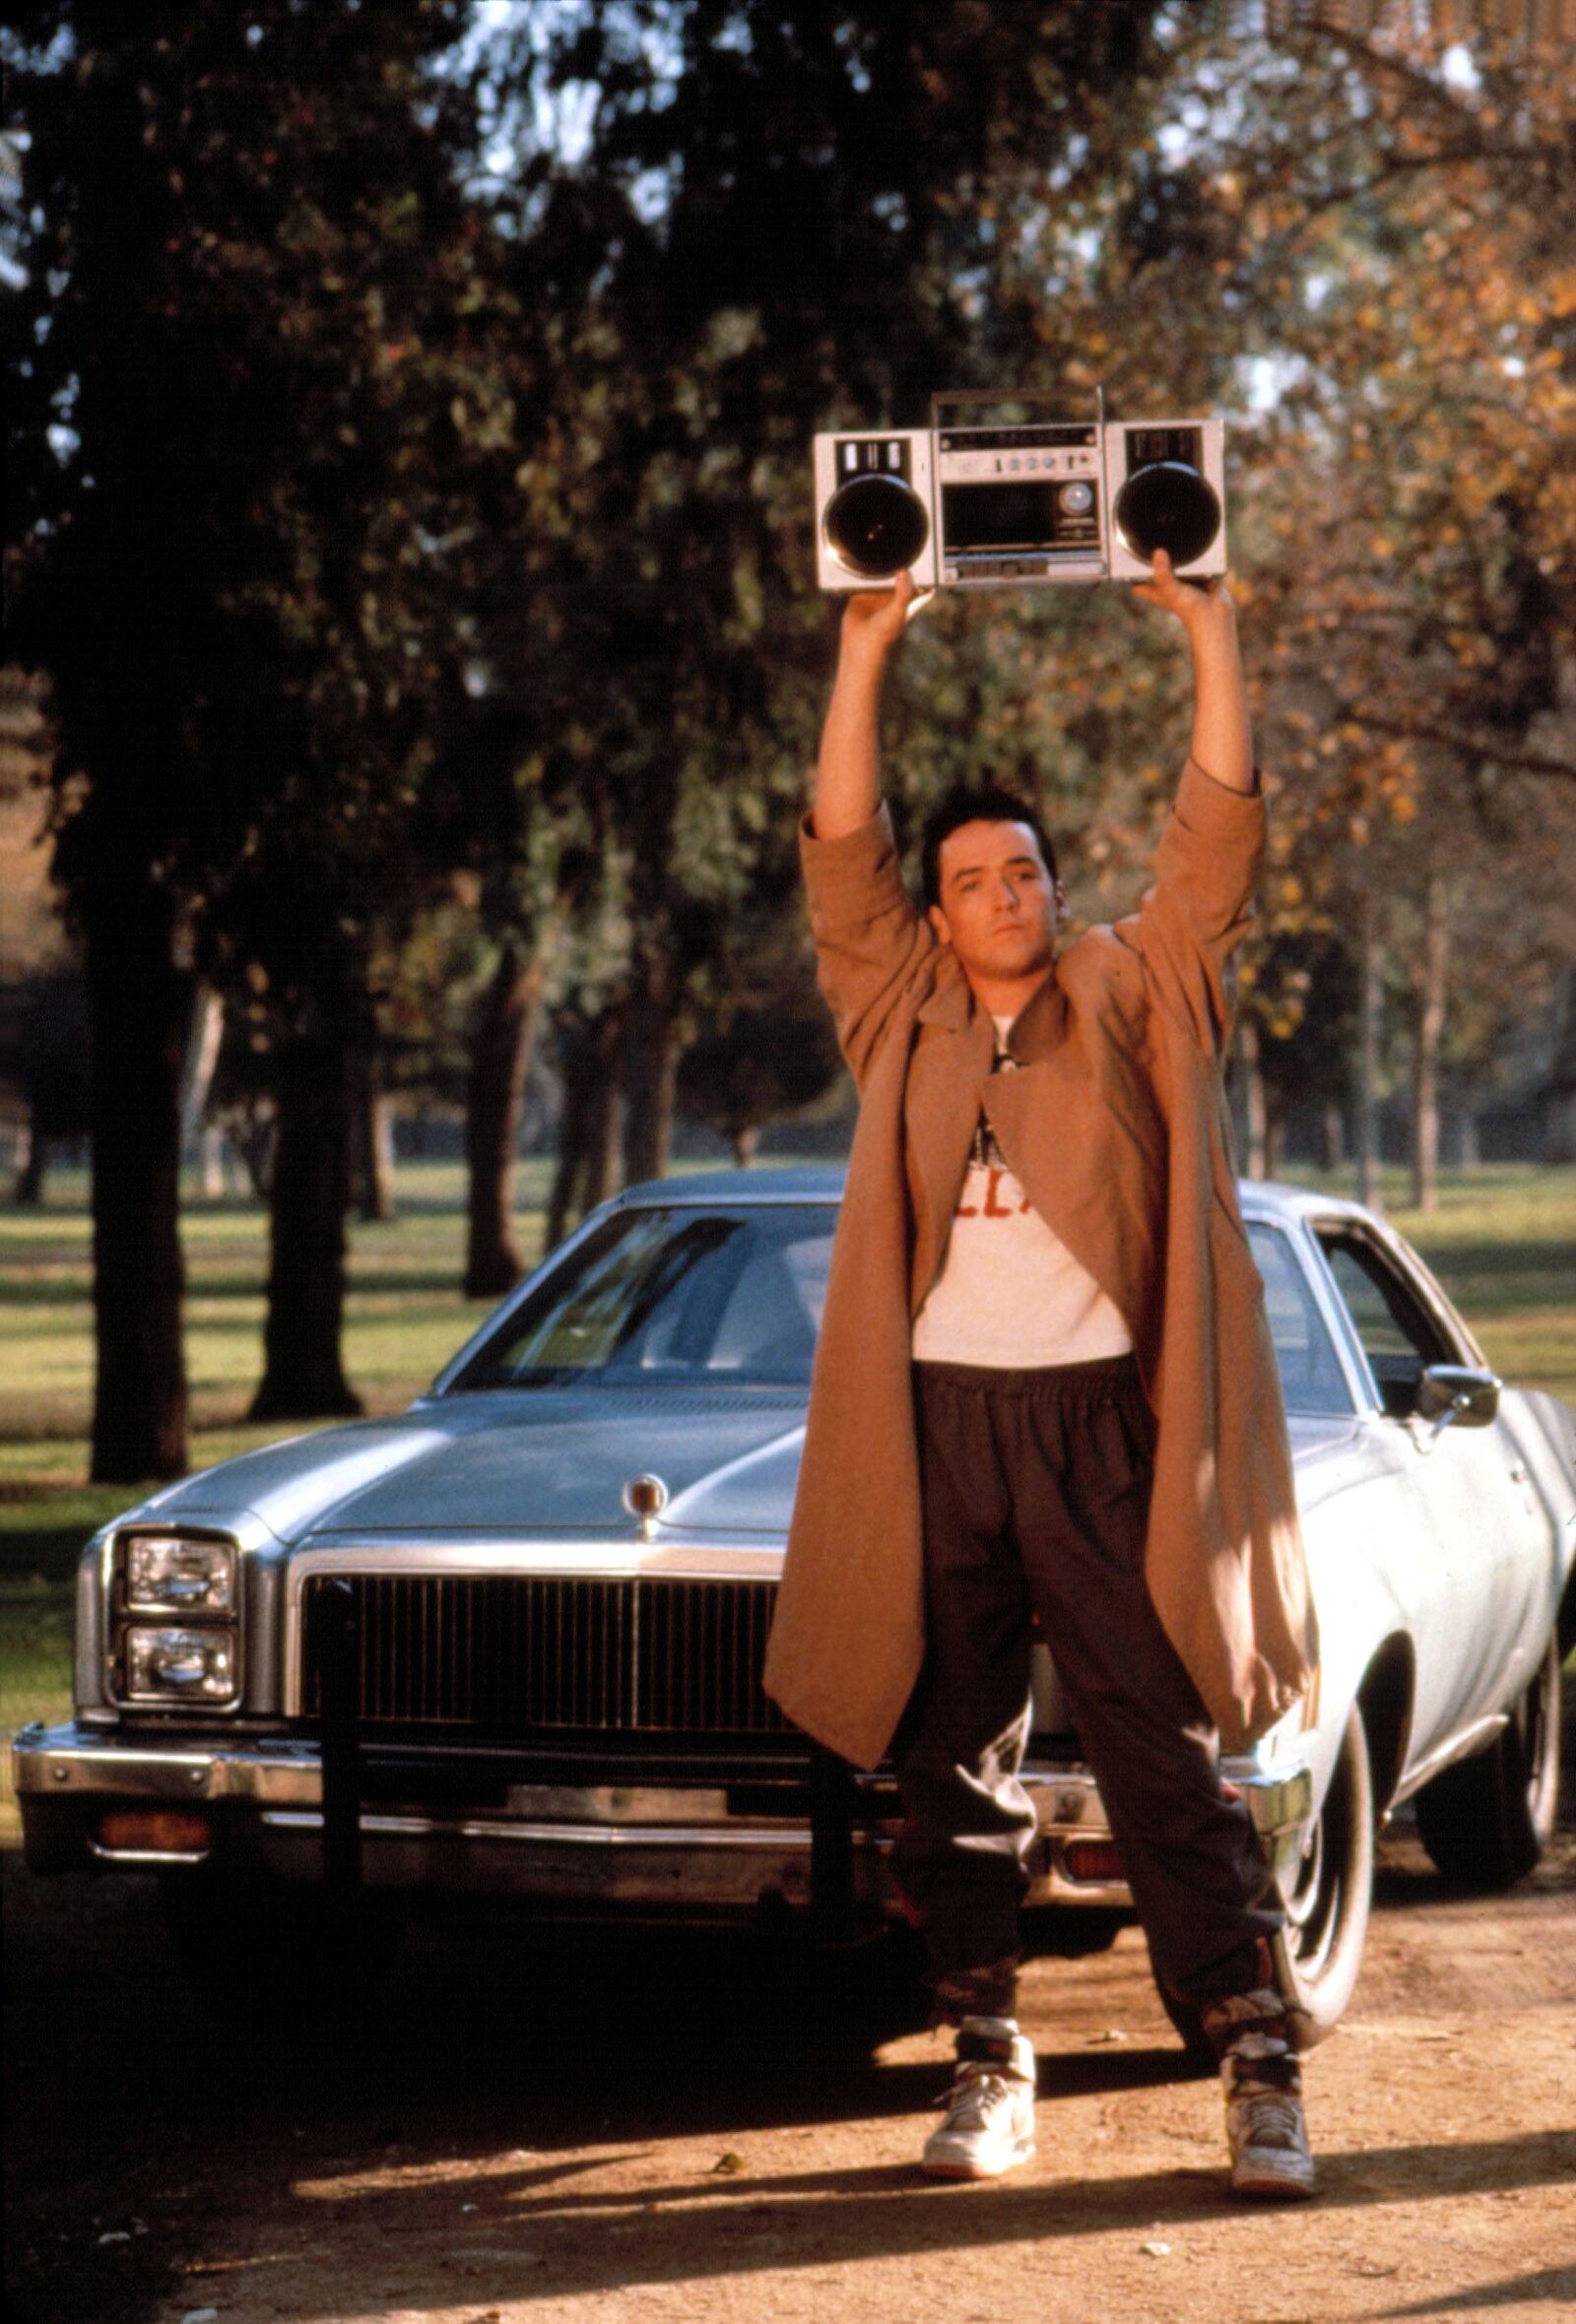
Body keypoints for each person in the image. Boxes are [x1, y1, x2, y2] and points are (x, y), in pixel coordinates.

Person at [761, 548, 1321, 2200]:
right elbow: (839, 864)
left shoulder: (1133, 990)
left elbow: (1213, 848)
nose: (1009, 895)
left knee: (1154, 1746)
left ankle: (1257, 2056)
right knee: (951, 1757)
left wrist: (1212, 629)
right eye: (979, 880)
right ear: (942, 916)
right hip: (938, 1431)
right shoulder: (906, 1010)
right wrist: (866, 645)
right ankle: (988, 2059)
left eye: (1028, 873)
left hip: (1098, 1427)